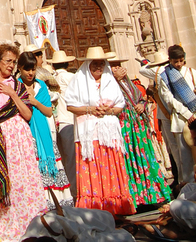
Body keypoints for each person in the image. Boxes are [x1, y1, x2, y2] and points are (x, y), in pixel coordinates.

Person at [0, 43, 47, 242]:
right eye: (8, 61)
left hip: (17, 137)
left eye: (14, 62)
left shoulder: (17, 85)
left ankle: (26, 224)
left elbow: (28, 114)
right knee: (1, 178)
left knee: (19, 179)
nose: (11, 65)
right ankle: (4, 226)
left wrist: (12, 94)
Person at [65, 46, 134, 214]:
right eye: (94, 63)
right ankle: (94, 206)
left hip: (109, 133)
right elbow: (70, 105)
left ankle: (115, 206)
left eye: (101, 63)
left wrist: (107, 111)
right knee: (93, 168)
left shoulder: (110, 80)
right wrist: (91, 109)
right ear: (88, 64)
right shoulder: (78, 80)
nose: (98, 67)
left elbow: (120, 105)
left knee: (110, 168)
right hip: (89, 135)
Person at [109, 56, 170, 206]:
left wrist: (142, 105)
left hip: (137, 127)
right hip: (125, 126)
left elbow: (140, 98)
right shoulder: (108, 84)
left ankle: (152, 194)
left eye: (118, 65)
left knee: (145, 158)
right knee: (131, 160)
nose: (118, 68)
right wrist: (115, 79)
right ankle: (136, 197)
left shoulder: (129, 83)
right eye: (113, 66)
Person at [17, 51, 73, 210]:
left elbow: (48, 111)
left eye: (33, 69)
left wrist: (34, 102)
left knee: (49, 166)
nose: (30, 73)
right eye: (27, 69)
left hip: (43, 132)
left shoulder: (40, 86)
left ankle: (56, 202)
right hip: (26, 133)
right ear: (19, 68)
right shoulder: (16, 86)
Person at [140, 49, 196, 185]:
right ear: (170, 60)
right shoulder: (164, 75)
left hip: (195, 115)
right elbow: (169, 99)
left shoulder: (191, 72)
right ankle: (187, 187)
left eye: (181, 61)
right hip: (180, 118)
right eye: (175, 61)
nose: (179, 64)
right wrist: (187, 114)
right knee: (184, 158)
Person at [48, 50, 78, 199]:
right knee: (72, 158)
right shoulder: (71, 77)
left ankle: (65, 192)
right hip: (69, 120)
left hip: (55, 122)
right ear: (67, 64)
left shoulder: (50, 78)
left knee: (62, 159)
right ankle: (74, 191)